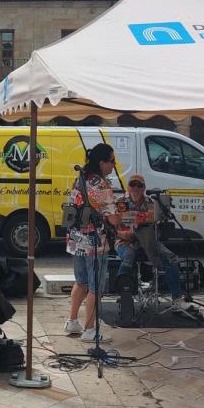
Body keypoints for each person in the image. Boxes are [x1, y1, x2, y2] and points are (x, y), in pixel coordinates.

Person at [63, 144, 121, 344]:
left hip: (76, 238)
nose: (114, 166)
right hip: (95, 243)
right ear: (102, 162)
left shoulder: (80, 178)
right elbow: (113, 220)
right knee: (95, 286)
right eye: (112, 161)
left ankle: (72, 321)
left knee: (81, 281)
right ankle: (89, 329)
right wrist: (120, 214)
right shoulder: (102, 185)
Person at [114, 174, 186, 310]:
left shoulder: (152, 203)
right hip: (126, 242)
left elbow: (156, 225)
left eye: (139, 185)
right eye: (132, 184)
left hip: (149, 242)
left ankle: (177, 299)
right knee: (128, 256)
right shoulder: (121, 201)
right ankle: (123, 294)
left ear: (144, 188)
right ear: (128, 187)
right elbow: (119, 230)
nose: (135, 188)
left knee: (172, 259)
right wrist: (133, 234)